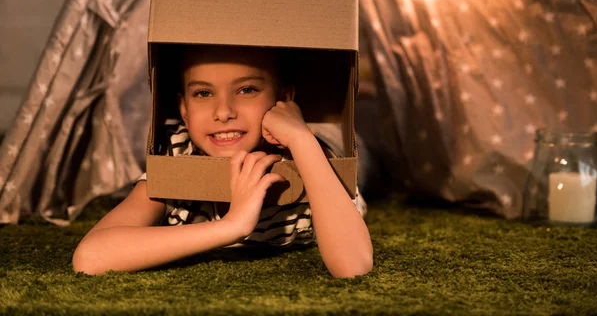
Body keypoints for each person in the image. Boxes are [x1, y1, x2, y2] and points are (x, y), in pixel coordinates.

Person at [72, 46, 372, 278]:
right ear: (184, 109)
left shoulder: (309, 155)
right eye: (203, 93)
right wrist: (232, 226)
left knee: (369, 162)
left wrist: (302, 138)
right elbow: (90, 257)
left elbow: (353, 266)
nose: (223, 111)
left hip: (328, 143)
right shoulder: (177, 157)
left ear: (284, 98)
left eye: (247, 89)